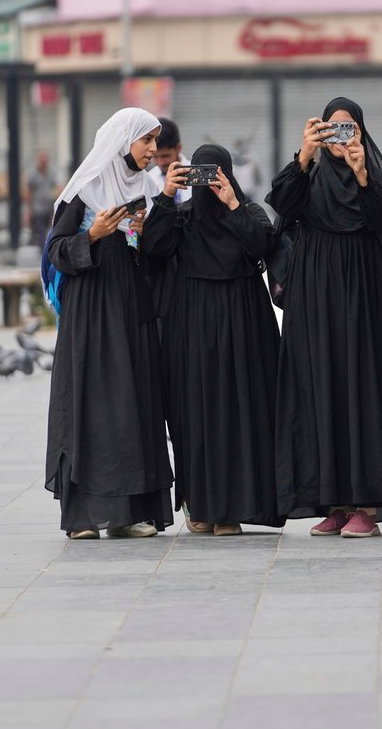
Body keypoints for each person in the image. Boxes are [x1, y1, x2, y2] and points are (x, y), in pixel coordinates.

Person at [266, 97, 382, 538]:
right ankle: (333, 501)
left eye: (348, 127)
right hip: (314, 295)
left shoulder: (378, 177)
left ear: (361, 131)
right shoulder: (307, 174)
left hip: (366, 292)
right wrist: (304, 153)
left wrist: (361, 174)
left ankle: (367, 505)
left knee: (364, 386)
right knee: (320, 387)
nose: (341, 136)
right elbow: (283, 204)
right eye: (332, 128)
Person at [44, 107, 173, 540]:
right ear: (123, 142)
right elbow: (57, 250)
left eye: (155, 142)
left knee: (131, 405)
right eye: (146, 141)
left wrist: (143, 229)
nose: (153, 151)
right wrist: (94, 235)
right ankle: (83, 516)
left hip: (132, 308)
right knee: (91, 406)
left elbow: (156, 253)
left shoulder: (148, 187)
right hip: (91, 313)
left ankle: (128, 514)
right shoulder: (86, 188)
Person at [140, 144, 283, 536]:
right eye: (199, 174)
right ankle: (201, 505)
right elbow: (152, 247)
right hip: (191, 327)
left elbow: (263, 244)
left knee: (240, 412)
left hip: (242, 326)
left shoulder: (247, 210)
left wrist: (233, 204)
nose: (207, 182)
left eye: (214, 173)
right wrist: (167, 196)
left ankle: (233, 509)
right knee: (193, 414)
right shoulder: (182, 217)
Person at [147, 118, 191, 204]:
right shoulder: (149, 179)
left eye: (165, 156)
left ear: (179, 148)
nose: (160, 162)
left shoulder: (198, 174)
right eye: (155, 157)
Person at [25, 150, 61, 248]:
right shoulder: (33, 174)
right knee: (41, 232)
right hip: (37, 209)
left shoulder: (51, 173)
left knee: (49, 231)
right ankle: (43, 250)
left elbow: (57, 188)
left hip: (49, 208)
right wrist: (29, 210)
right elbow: (29, 192)